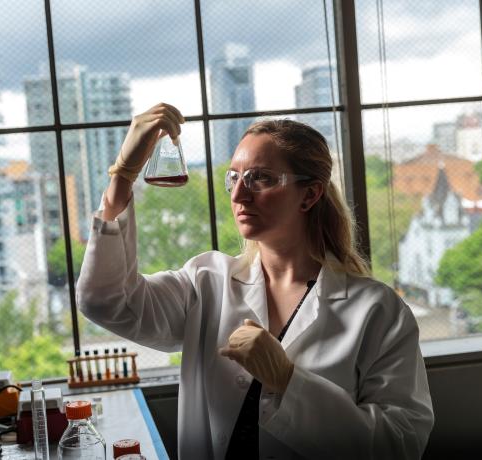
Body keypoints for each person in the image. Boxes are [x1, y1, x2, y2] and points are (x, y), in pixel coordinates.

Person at [76, 103, 434, 459]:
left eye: (260, 178)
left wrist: (288, 380)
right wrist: (123, 174)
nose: (238, 195)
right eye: (234, 177)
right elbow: (107, 301)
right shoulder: (206, 282)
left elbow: (399, 445)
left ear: (310, 194)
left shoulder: (377, 310)